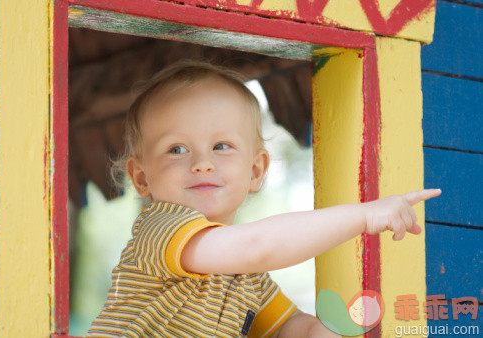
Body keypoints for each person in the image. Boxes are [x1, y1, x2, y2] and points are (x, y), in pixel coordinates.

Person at [87, 59, 442, 337]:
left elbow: (290, 326)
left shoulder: (247, 277)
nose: (202, 164)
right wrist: (364, 216)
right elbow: (257, 245)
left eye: (221, 146)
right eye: (176, 149)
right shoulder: (161, 229)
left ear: (256, 171)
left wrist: (321, 332)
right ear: (141, 177)